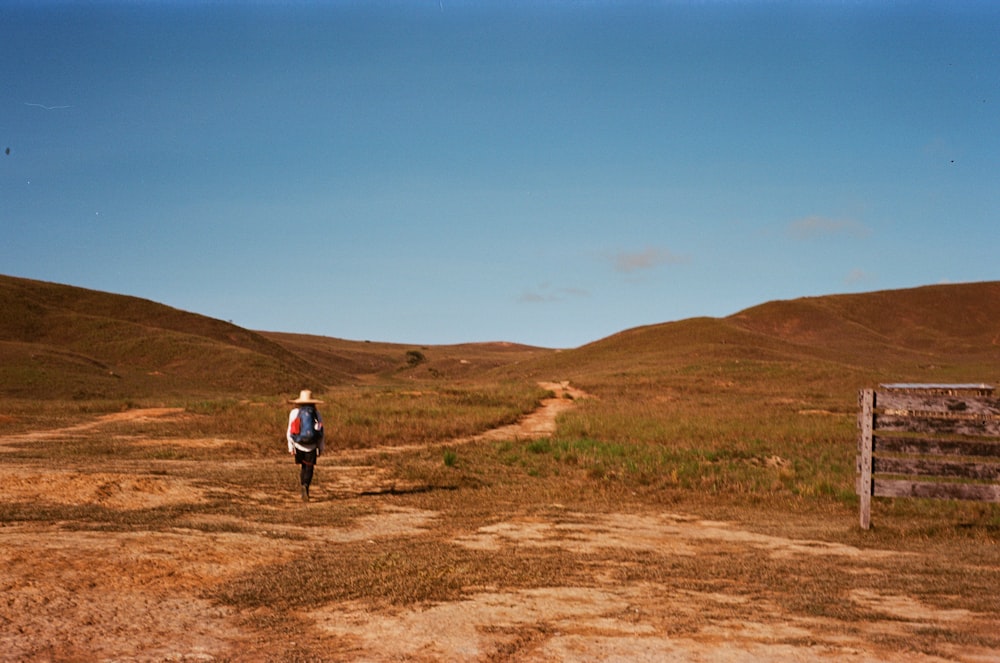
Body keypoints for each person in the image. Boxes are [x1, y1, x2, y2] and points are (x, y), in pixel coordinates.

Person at [286, 389, 325, 502]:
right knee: (309, 467)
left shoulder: (294, 413)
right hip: (311, 445)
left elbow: (290, 430)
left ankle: (303, 484)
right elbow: (321, 431)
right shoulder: (316, 414)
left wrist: (291, 446)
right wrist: (320, 447)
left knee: (303, 466)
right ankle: (306, 486)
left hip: (298, 444)